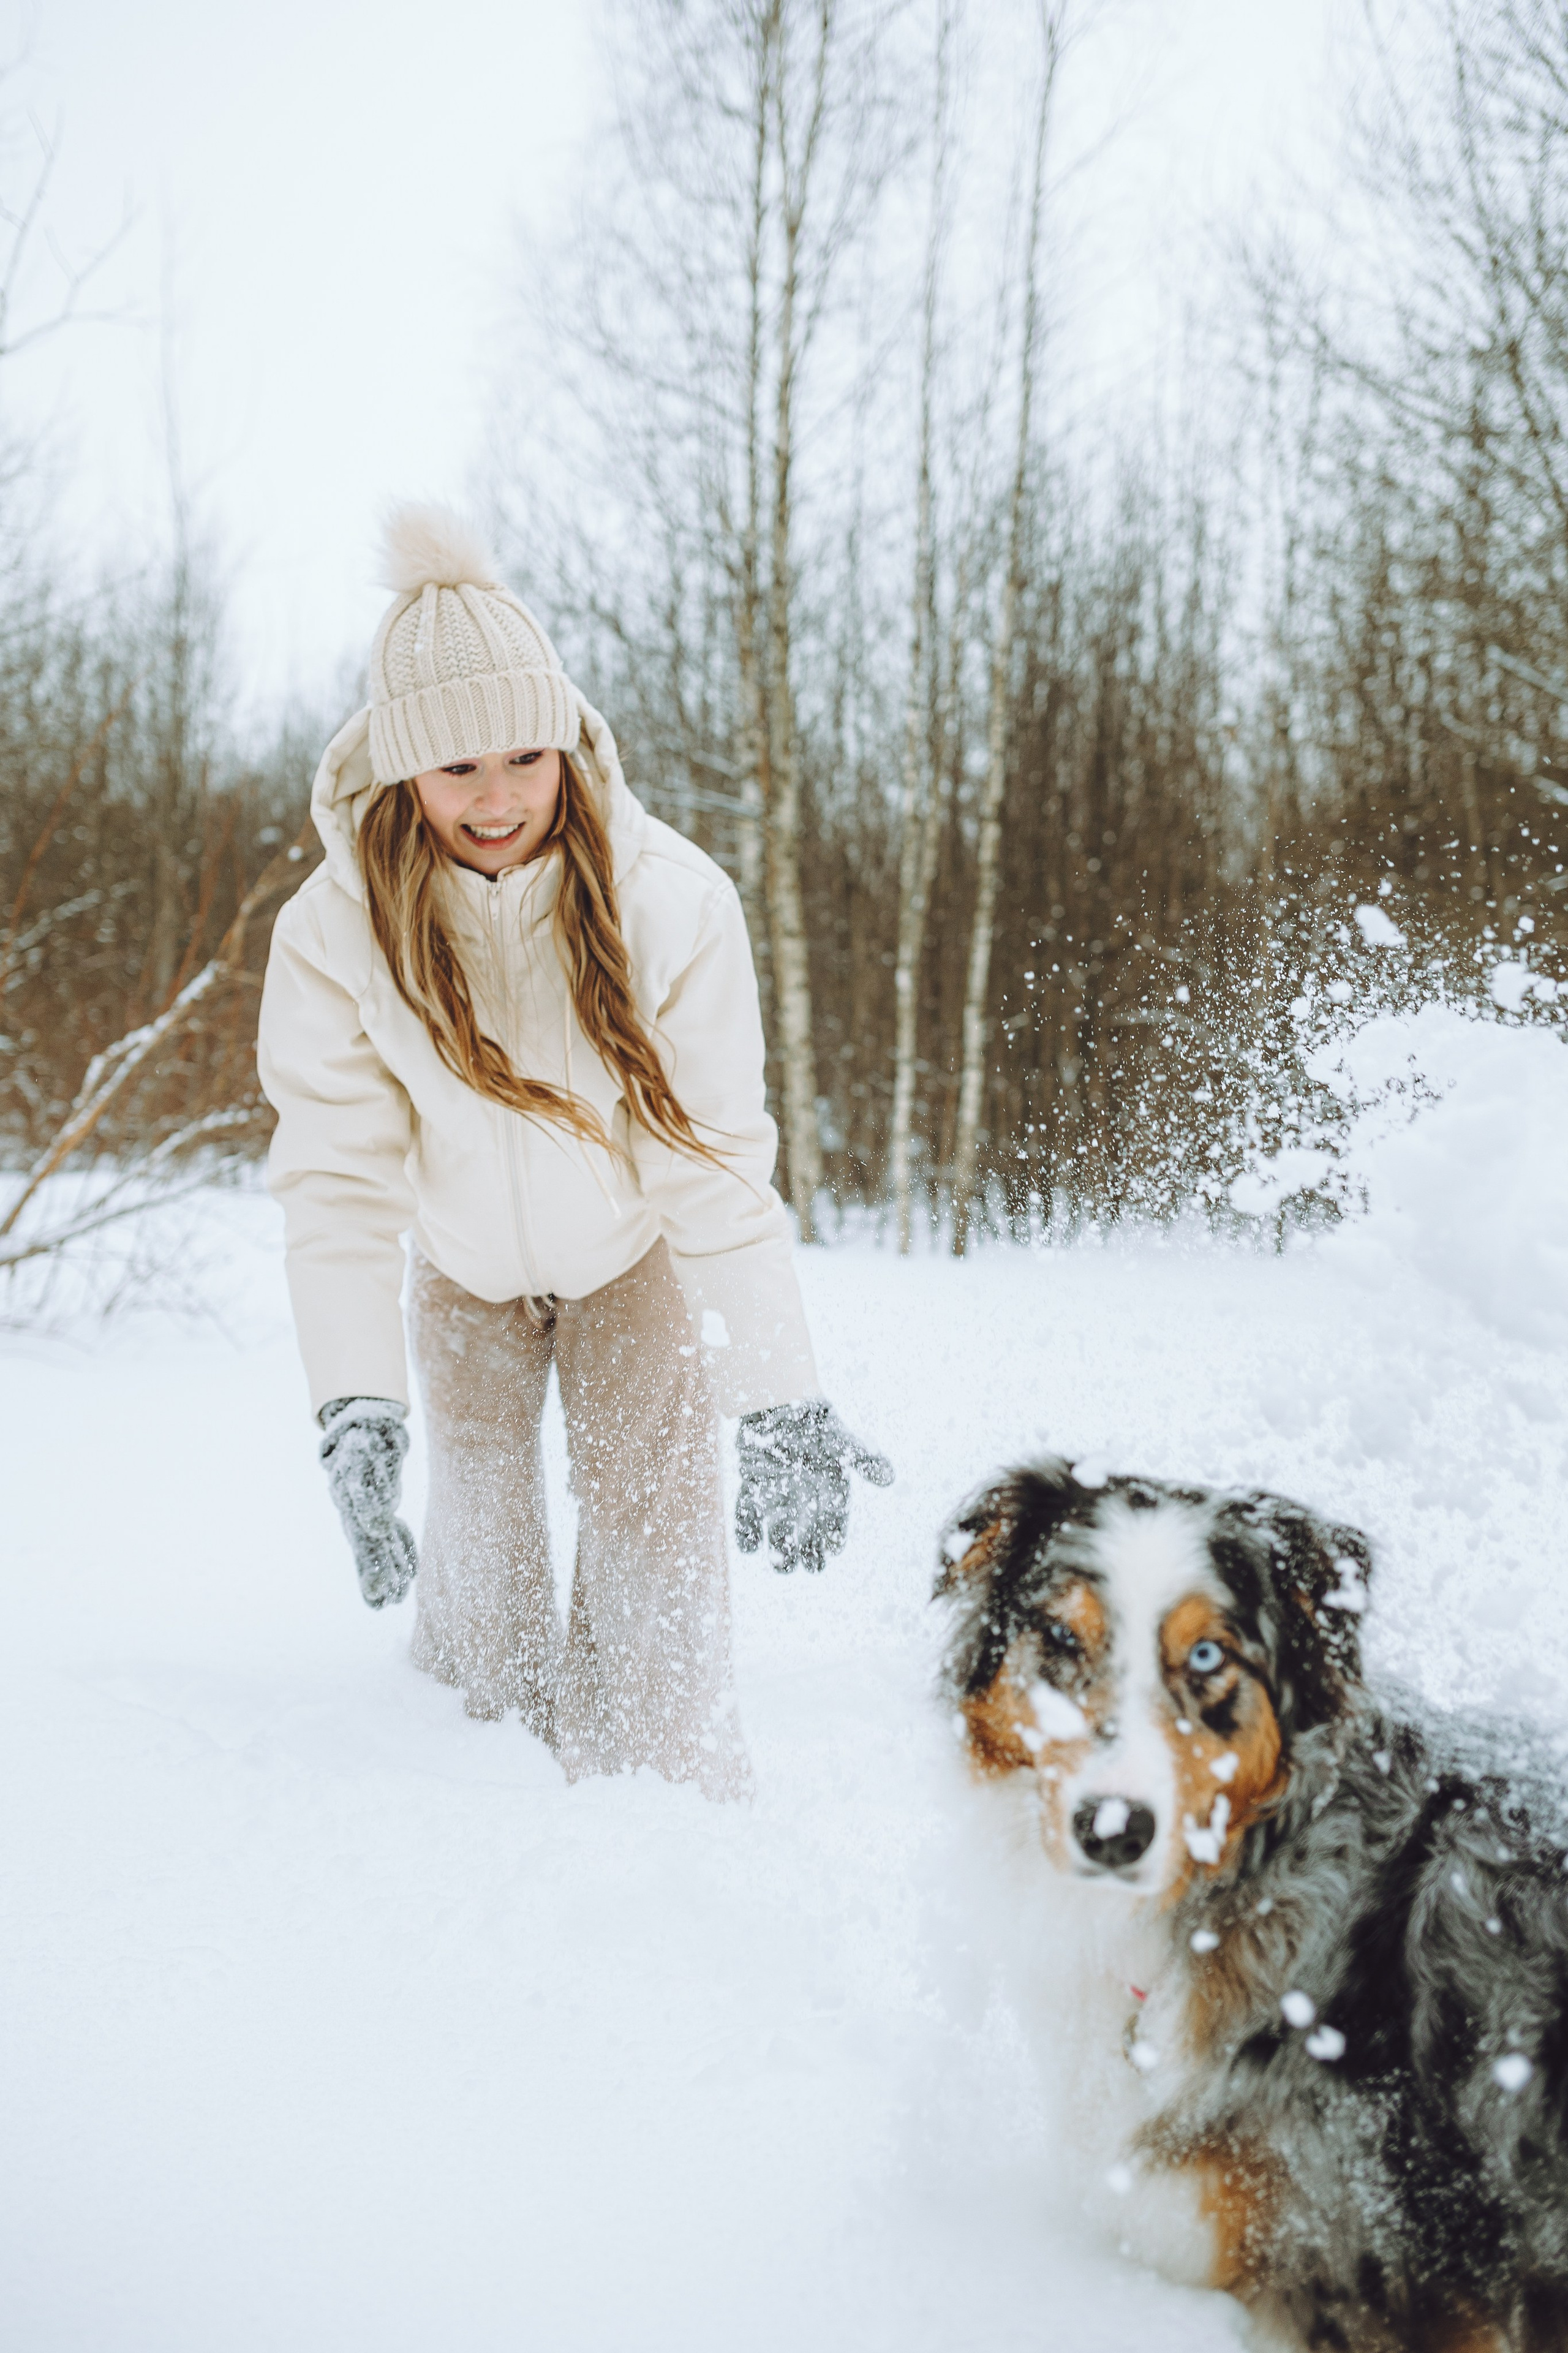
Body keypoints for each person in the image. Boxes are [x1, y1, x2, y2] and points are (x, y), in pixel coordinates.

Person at [257, 506, 891, 1798]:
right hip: (463, 1275)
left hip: (628, 1262)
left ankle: (670, 1808)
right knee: (482, 1576)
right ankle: (482, 1809)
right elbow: (336, 1174)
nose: (496, 800)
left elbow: (711, 1157)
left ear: (564, 740)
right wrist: (354, 1399)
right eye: (456, 772)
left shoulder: (671, 900)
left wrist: (775, 1391)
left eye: (522, 757)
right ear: (397, 774)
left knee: (653, 1550)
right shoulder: (336, 930)